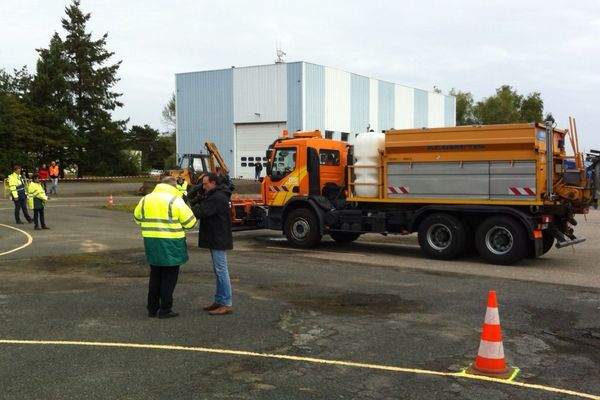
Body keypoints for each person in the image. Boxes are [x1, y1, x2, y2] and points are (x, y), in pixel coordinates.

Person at [134, 176, 197, 319]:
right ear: (173, 186)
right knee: (169, 278)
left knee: (155, 276)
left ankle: (152, 309)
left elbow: (137, 218)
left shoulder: (146, 199)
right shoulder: (175, 200)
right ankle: (165, 309)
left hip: (151, 242)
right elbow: (191, 223)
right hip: (171, 243)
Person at [193, 172, 234, 315]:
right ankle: (219, 300)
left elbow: (201, 212)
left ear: (213, 183)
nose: (203, 187)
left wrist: (187, 207)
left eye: (205, 184)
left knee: (221, 271)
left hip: (218, 238)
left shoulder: (217, 197)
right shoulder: (216, 195)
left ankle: (227, 303)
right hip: (216, 237)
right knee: (219, 271)